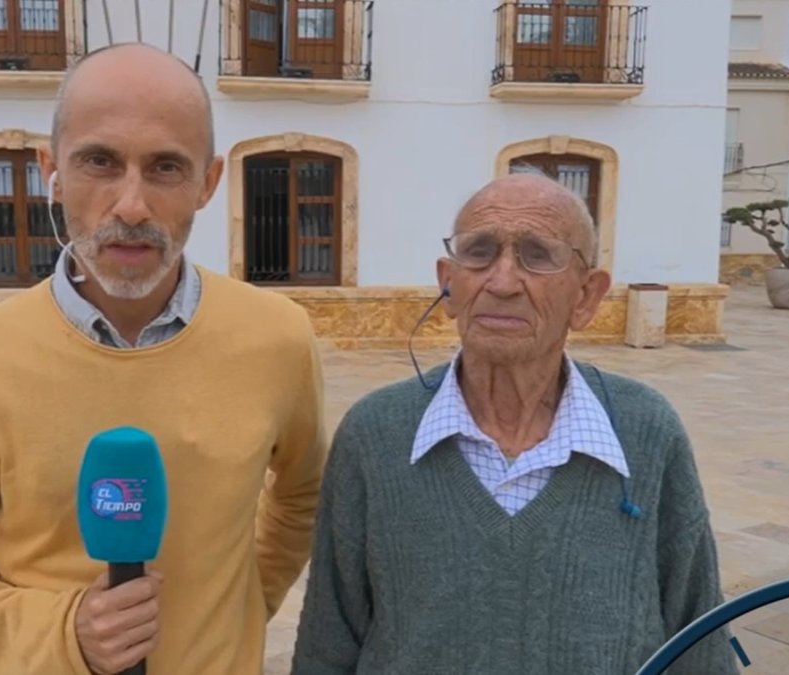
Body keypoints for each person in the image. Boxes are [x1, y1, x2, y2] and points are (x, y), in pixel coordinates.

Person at [0, 43, 329, 675]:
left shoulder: (277, 337)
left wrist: (243, 606)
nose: (131, 206)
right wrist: (64, 634)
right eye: (100, 162)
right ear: (51, 170)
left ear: (209, 183)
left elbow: (302, 496)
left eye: (166, 167)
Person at [290, 172, 737, 674]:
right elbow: (328, 640)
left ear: (587, 297)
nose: (501, 282)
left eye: (538, 255)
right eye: (479, 252)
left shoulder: (646, 432)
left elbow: (698, 638)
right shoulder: (375, 433)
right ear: (448, 283)